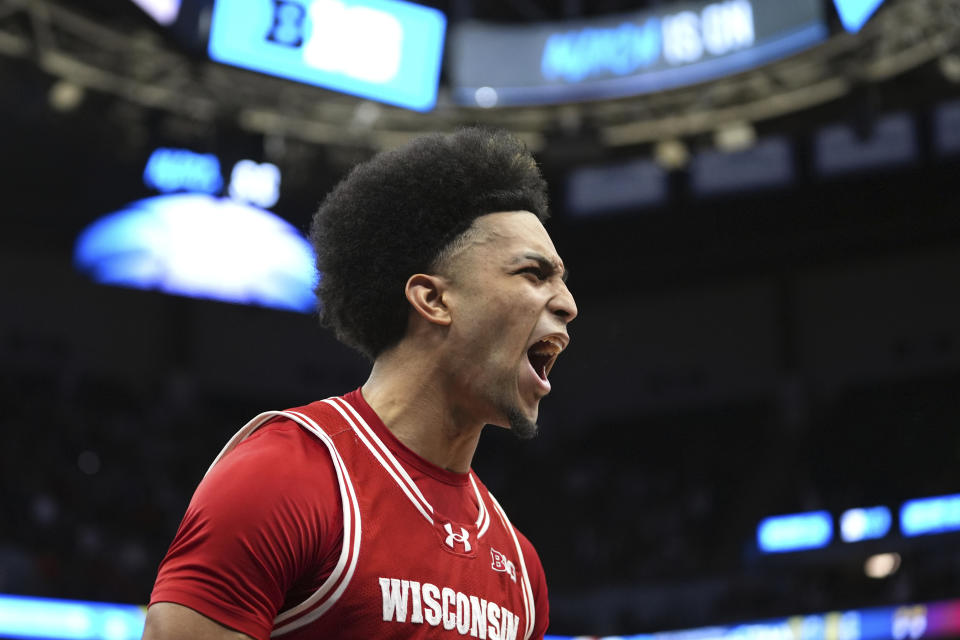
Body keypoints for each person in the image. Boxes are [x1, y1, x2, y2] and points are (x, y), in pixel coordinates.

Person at [142, 127, 578, 640]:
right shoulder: (285, 476)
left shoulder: (520, 570)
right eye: (534, 274)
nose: (568, 303)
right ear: (433, 300)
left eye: (562, 280)